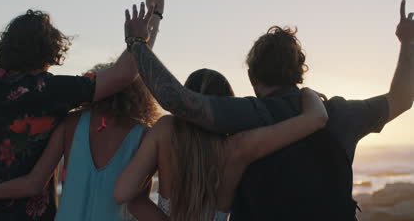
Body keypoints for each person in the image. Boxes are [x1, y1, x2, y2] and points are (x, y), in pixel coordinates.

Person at [123, 0, 414, 220]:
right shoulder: (341, 113)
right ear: (298, 74)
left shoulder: (246, 115)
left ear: (252, 77)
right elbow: (402, 98)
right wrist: (408, 42)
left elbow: (177, 99)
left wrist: (137, 42)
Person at [0, 0, 165, 220]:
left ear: (6, 45)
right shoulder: (53, 89)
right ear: (52, 49)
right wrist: (146, 27)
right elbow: (126, 73)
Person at [114, 68, 328, 221]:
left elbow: (123, 194)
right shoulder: (237, 146)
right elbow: (316, 118)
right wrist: (307, 93)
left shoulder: (166, 129)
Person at [0, 61, 166, 221]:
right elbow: (137, 204)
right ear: (139, 98)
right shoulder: (144, 136)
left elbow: (34, 183)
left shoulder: (71, 123)